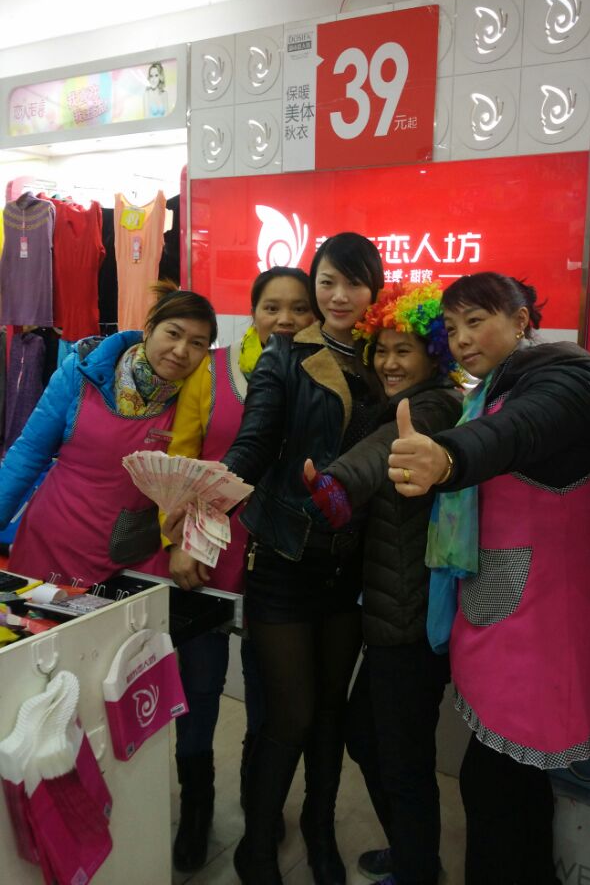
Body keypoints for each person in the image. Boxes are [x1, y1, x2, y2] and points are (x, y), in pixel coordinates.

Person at [386, 272, 590, 885]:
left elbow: (515, 433)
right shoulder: (489, 390)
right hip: (498, 626)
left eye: (476, 321)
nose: (462, 339)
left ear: (521, 320)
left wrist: (447, 456)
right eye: (452, 327)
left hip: (541, 636)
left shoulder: (566, 375)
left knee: (494, 795)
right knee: (510, 794)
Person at [218, 232, 384, 885]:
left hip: (348, 565)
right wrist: (210, 493)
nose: (339, 295)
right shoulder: (284, 357)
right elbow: (254, 443)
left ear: (373, 289)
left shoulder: (383, 357)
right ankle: (257, 844)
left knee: (330, 712)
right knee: (289, 715)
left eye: (353, 282)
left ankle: (320, 832)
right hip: (285, 558)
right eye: (327, 282)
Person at [302, 281, 463, 885]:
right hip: (394, 610)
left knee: (401, 758)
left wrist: (337, 482)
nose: (391, 362)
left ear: (434, 354)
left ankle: (418, 870)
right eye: (383, 350)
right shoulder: (413, 399)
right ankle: (414, 854)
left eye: (405, 350)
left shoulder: (432, 406)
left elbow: (382, 450)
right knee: (371, 738)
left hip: (411, 619)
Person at [158, 266, 314, 872]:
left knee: (267, 692)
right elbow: (182, 458)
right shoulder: (212, 370)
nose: (285, 320)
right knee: (200, 688)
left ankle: (259, 796)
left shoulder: (321, 377)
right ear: (252, 313)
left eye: (299, 308)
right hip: (207, 557)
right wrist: (181, 538)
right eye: (271, 307)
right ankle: (197, 804)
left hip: (278, 564)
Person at [0, 282, 216, 588]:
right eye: (173, 333)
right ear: (149, 329)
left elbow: (199, 480)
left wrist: (185, 543)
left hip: (130, 557)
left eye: (197, 343)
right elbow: (29, 452)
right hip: (49, 539)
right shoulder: (84, 369)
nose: (181, 351)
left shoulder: (198, 398)